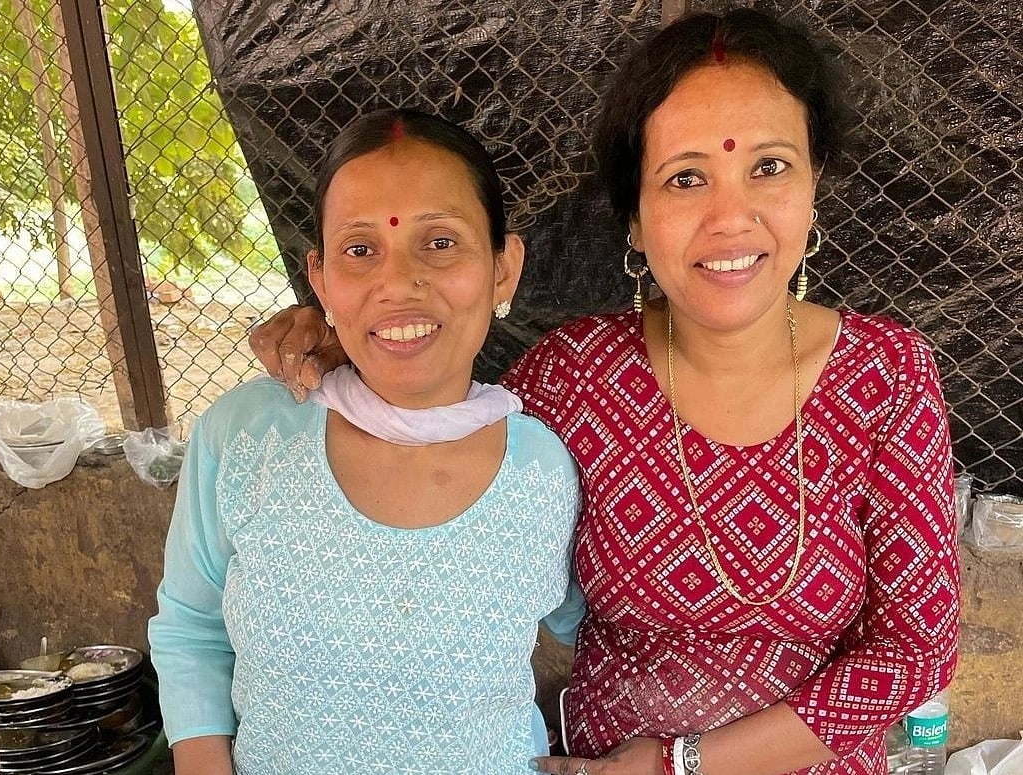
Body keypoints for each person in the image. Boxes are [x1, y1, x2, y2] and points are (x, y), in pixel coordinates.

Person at [248, 9, 961, 775]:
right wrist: (351, 343)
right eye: (685, 178)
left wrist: (675, 763)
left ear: (814, 182)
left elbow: (916, 651)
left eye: (769, 167)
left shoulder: (888, 375)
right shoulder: (573, 378)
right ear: (635, 219)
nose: (730, 217)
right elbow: (431, 438)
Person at [148, 108, 585, 775]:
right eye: (360, 249)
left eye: (440, 241)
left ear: (504, 268)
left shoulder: (544, 467)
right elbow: (191, 628)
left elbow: (600, 627)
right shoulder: (247, 436)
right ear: (320, 277)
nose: (398, 282)